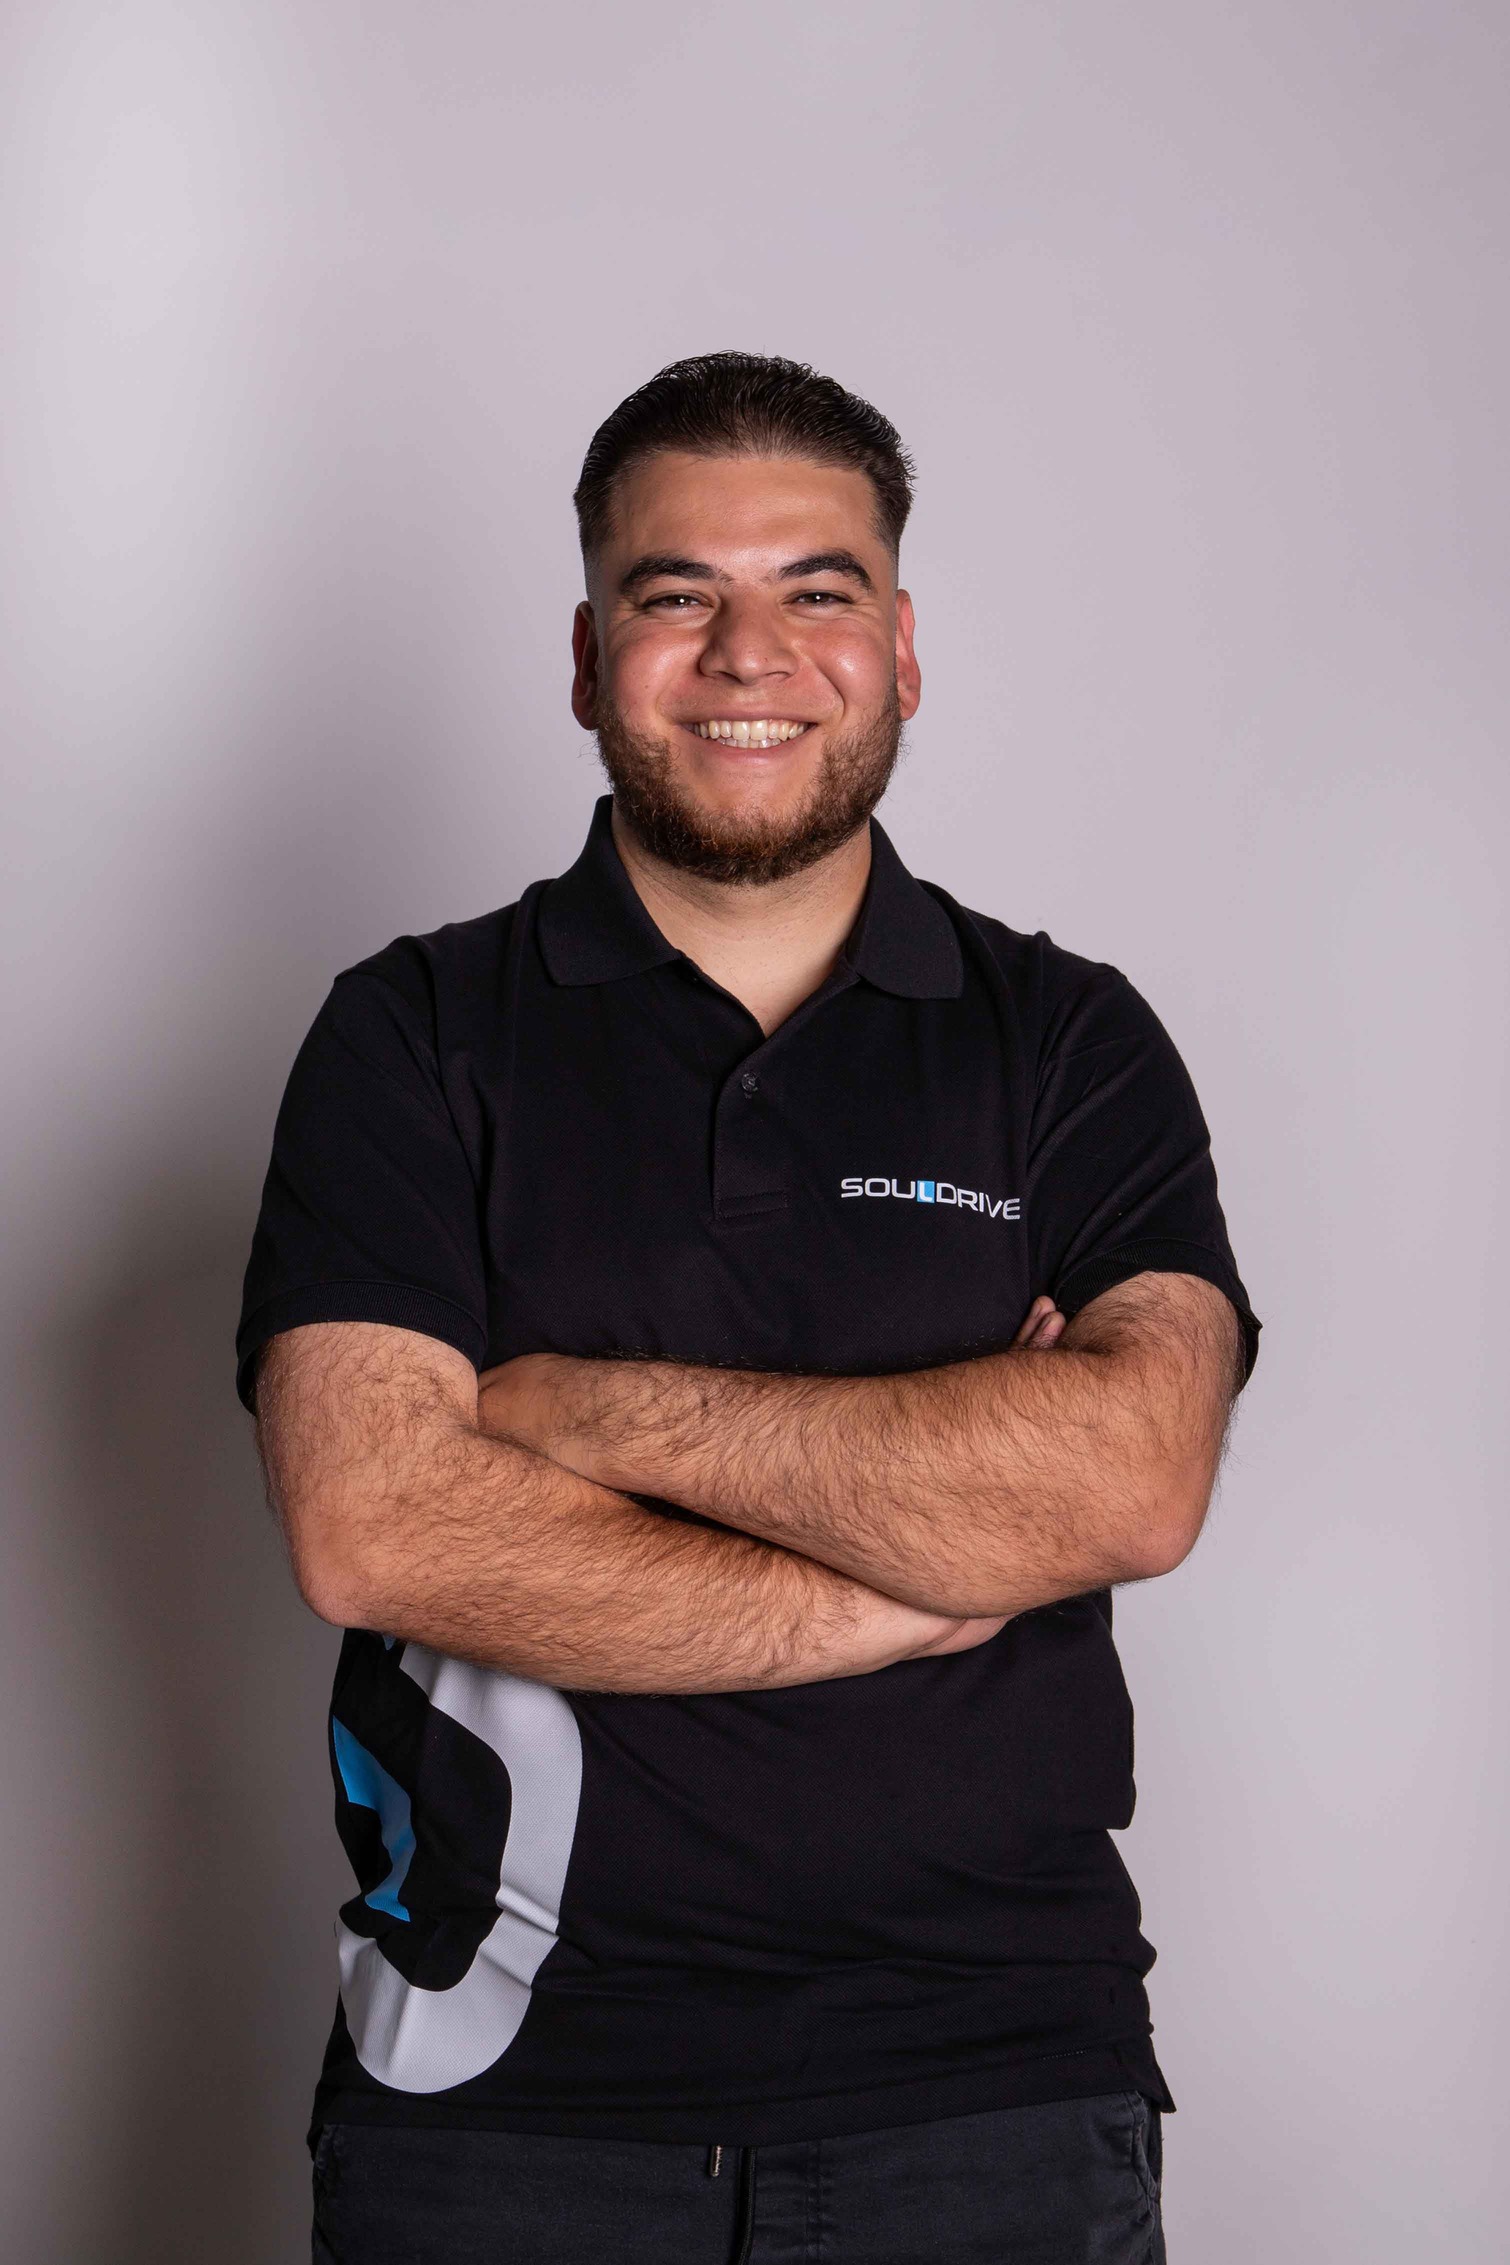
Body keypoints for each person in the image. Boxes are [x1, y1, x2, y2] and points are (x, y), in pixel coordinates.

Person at [237, 350, 1260, 2264]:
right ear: (586, 656)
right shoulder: (412, 1035)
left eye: (816, 588)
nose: (749, 653)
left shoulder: (1067, 1040)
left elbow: (1131, 1477)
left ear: (900, 648)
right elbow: (375, 1521)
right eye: (675, 593)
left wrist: (575, 1409)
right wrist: (909, 1585)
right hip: (501, 2112)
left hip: (993, 2101)